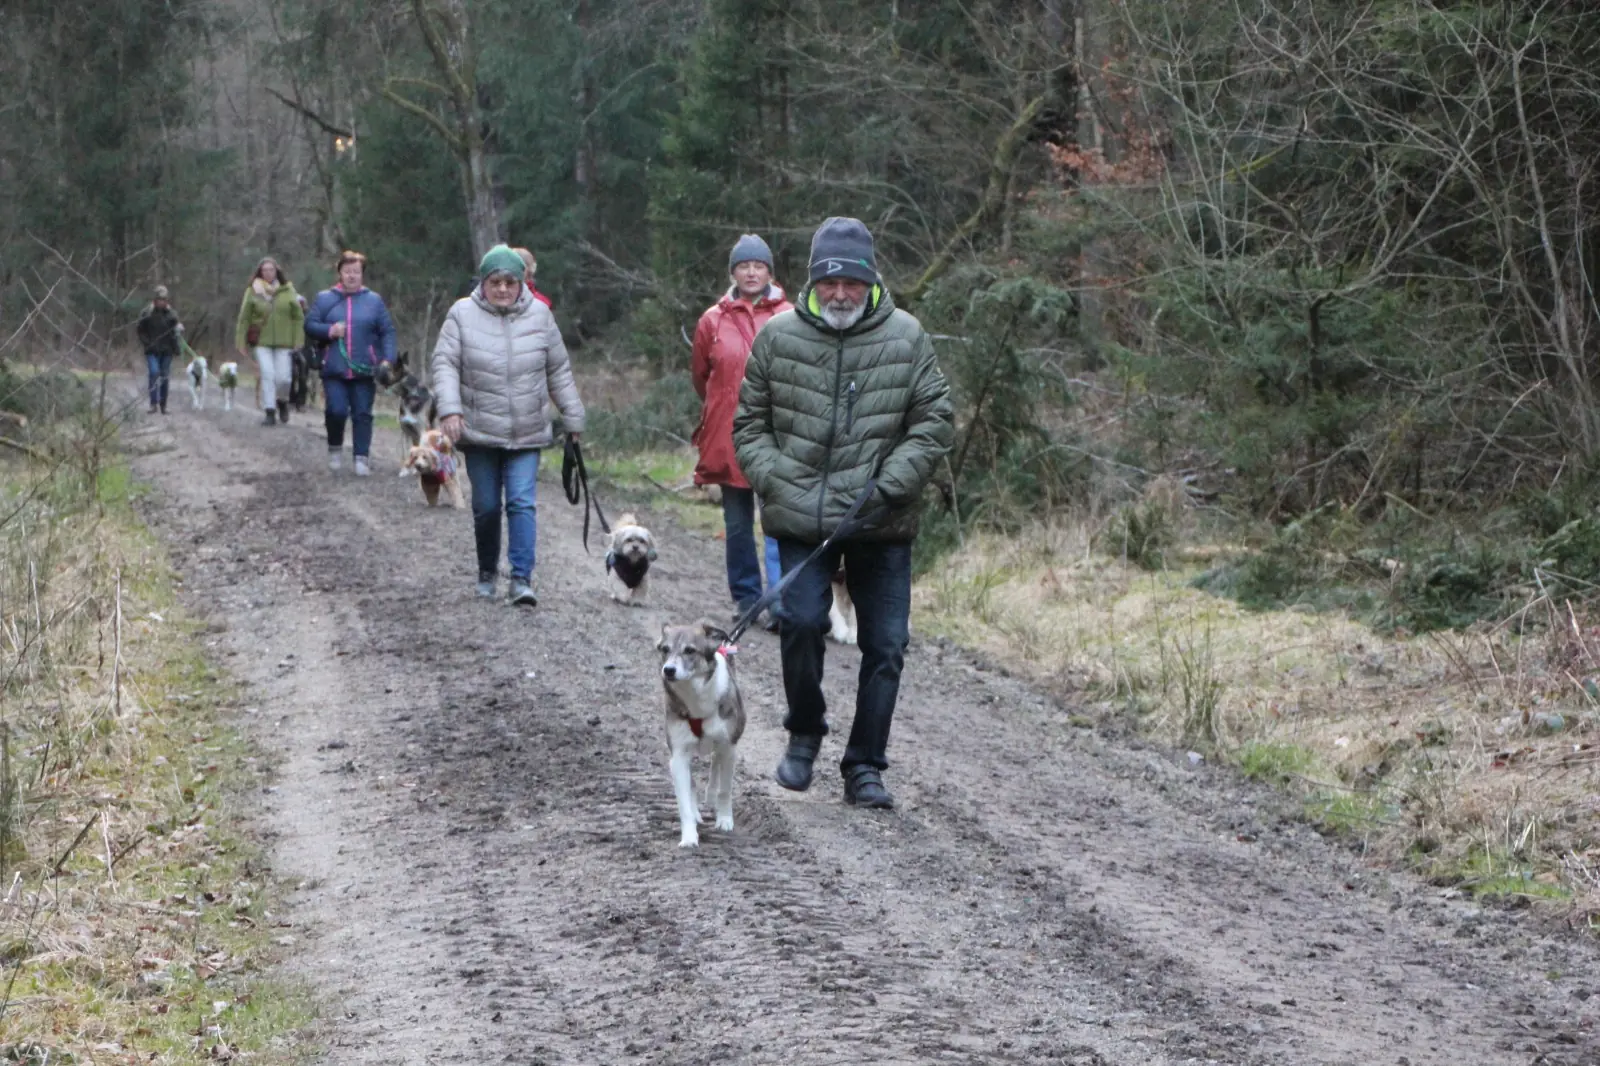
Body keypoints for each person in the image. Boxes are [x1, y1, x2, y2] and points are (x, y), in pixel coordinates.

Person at [733, 217, 954, 810]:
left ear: (870, 281)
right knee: (802, 622)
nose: (839, 294)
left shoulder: (907, 337)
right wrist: (780, 480)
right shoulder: (778, 337)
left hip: (882, 519)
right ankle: (804, 733)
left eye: (850, 283)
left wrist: (892, 484)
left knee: (886, 645)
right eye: (828, 282)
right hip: (801, 517)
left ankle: (864, 765)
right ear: (812, 282)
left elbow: (934, 422)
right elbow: (749, 424)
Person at [433, 245, 586, 607]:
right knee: (486, 506)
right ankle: (487, 572)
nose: (502, 289)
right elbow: (444, 364)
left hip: (527, 430)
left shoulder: (541, 316)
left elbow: (558, 370)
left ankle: (521, 579)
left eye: (510, 282)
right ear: (483, 283)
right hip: (479, 431)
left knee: (521, 503)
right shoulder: (461, 314)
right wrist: (450, 410)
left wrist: (573, 416)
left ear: (522, 283)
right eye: (495, 282)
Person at [691, 234, 791, 628]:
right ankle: (747, 599)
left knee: (779, 523)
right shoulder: (711, 320)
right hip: (728, 436)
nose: (751, 273)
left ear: (770, 272)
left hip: (777, 437)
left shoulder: (791, 315)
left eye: (758, 266)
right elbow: (702, 377)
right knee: (737, 526)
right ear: (733, 272)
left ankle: (781, 602)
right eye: (744, 266)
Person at [305, 251, 396, 476]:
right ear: (340, 273)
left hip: (365, 368)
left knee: (362, 413)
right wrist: (330, 331)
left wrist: (388, 359)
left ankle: (361, 458)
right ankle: (335, 448)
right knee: (336, 411)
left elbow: (387, 332)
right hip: (333, 367)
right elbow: (310, 325)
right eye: (347, 271)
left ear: (362, 274)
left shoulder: (374, 301)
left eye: (356, 272)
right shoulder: (325, 298)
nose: (352, 276)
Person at [233, 257, 305, 426]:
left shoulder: (288, 290)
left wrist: (298, 339)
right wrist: (240, 341)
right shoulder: (253, 291)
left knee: (284, 378)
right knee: (267, 374)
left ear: (277, 271)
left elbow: (298, 317)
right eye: (264, 270)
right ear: (260, 272)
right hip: (262, 341)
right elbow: (244, 317)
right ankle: (270, 411)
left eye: (271, 270)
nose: (268, 273)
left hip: (284, 341)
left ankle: (282, 401)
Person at [136, 285, 183, 415]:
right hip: (152, 350)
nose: (162, 302)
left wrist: (177, 347)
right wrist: (147, 343)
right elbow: (140, 330)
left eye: (164, 299)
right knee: (154, 373)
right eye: (159, 299)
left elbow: (176, 332)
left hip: (167, 351)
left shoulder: (172, 314)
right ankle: (153, 404)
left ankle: (163, 405)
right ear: (155, 300)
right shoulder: (147, 313)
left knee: (164, 376)